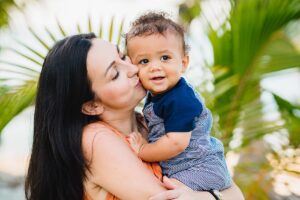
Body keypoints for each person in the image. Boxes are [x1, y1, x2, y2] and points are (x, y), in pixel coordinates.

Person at [25, 32, 244, 200]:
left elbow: (233, 190)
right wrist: (214, 196)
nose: (131, 68)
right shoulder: (96, 139)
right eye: (115, 73)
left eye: (122, 56)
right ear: (91, 106)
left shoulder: (148, 123)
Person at [126, 12, 231, 191]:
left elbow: (175, 143)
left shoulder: (181, 99)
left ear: (183, 63)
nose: (155, 67)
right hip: (184, 168)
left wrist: (143, 150)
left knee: (171, 192)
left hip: (202, 168)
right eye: (144, 61)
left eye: (165, 58)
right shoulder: (158, 95)